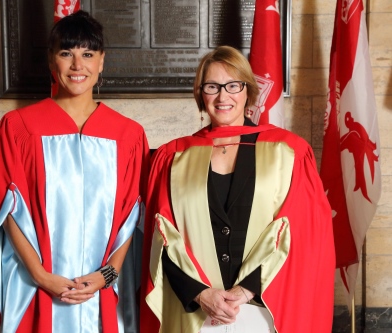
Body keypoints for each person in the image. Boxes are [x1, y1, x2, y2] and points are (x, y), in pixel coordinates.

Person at [0, 10, 149, 333]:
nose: (78, 66)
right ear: (52, 61)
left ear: (102, 61)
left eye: (88, 54)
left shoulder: (128, 135)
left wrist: (107, 274)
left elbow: (130, 213)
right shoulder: (19, 128)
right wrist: (40, 276)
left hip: (101, 289)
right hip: (37, 285)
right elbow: (6, 210)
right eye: (67, 53)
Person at [139, 45, 335, 332]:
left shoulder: (288, 151)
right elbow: (161, 238)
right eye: (212, 86)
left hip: (263, 309)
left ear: (248, 91)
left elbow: (304, 230)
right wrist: (200, 294)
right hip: (196, 312)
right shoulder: (174, 156)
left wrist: (246, 290)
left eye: (233, 85)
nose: (223, 96)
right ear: (200, 94)